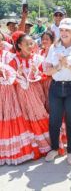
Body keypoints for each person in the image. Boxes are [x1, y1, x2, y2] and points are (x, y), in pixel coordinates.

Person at [45, 18, 71, 165]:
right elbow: (47, 70)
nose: (64, 33)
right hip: (56, 87)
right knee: (54, 120)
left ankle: (70, 152)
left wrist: (67, 64)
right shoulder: (53, 47)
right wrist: (59, 67)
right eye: (62, 30)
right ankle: (55, 149)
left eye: (67, 30)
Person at [10, 31, 51, 159]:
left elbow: (46, 76)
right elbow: (11, 79)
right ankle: (34, 147)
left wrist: (37, 72)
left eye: (31, 43)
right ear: (19, 45)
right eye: (27, 44)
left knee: (41, 115)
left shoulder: (38, 58)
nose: (30, 46)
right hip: (22, 95)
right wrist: (19, 76)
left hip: (37, 94)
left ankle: (47, 145)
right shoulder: (14, 60)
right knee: (26, 118)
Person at [0, 32, 36, 165]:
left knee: (10, 119)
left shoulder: (8, 55)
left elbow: (13, 74)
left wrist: (17, 75)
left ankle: (13, 151)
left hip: (8, 93)